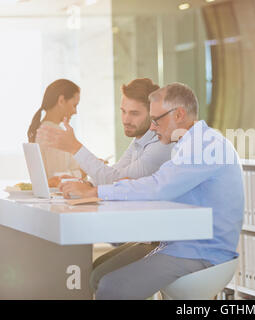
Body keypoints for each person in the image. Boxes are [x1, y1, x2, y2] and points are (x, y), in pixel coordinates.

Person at [58, 82, 245, 300]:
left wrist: (95, 192)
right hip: (178, 243)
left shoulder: (205, 146)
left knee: (111, 286)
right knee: (99, 274)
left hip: (202, 252)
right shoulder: (189, 144)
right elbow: (156, 184)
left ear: (180, 114)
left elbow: (158, 186)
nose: (152, 127)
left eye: (156, 120)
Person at [36, 78, 173, 186]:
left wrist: (75, 147)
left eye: (134, 113)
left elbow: (115, 180)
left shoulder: (160, 146)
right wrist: (83, 183)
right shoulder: (139, 140)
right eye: (123, 111)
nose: (126, 120)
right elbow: (115, 172)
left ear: (153, 113)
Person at [27, 79, 84, 183]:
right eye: (74, 105)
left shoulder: (42, 129)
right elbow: (57, 178)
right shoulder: (55, 134)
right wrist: (84, 171)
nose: (75, 112)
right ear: (61, 100)